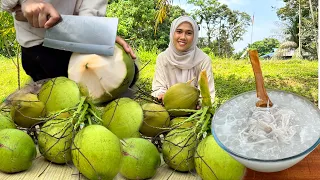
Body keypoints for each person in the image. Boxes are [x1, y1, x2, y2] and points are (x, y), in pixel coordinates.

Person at [1, 0, 136, 82]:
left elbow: (91, 6)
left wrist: (96, 33)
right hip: (40, 45)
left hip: (76, 37)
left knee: (128, 74)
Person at [151, 15, 215, 104]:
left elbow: (208, 96)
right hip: (166, 106)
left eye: (189, 33)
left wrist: (198, 104)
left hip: (194, 111)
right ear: (172, 33)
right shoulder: (163, 58)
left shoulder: (203, 60)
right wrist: (162, 95)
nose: (183, 37)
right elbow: (158, 87)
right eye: (179, 31)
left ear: (195, 36)